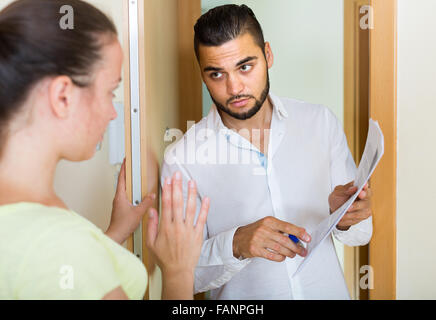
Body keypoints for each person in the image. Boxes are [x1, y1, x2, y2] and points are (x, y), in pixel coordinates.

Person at [0, 0, 209, 300]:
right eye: (111, 91)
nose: (113, 113)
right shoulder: (59, 245)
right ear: (62, 97)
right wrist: (178, 272)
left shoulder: (44, 236)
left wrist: (114, 234)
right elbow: (59, 259)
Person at [161, 4, 372, 299]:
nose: (234, 87)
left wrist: (344, 216)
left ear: (268, 55)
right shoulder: (182, 160)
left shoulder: (320, 122)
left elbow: (362, 235)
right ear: (202, 75)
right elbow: (183, 275)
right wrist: (236, 243)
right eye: (216, 74)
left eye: (245, 66)